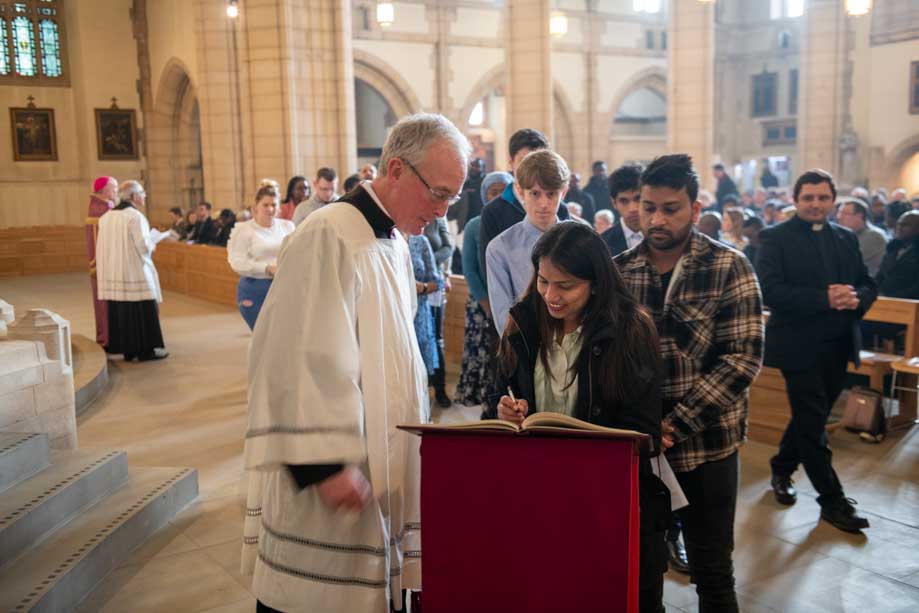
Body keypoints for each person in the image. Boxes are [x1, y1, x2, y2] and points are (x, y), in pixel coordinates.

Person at [241, 113, 469, 613]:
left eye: (453, 197)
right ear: (395, 169)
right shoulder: (329, 234)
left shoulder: (395, 244)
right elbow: (292, 354)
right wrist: (325, 465)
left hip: (380, 476)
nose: (443, 209)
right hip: (332, 487)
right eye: (438, 193)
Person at [488, 222, 667, 613]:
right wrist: (505, 410)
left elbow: (645, 431)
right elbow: (496, 396)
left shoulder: (631, 331)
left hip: (604, 499)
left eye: (565, 285)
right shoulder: (522, 323)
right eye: (543, 281)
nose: (550, 295)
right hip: (537, 492)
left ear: (597, 283)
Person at [616, 154, 764, 613]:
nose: (656, 219)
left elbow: (741, 360)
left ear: (695, 210)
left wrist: (673, 425)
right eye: (648, 206)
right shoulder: (619, 271)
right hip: (639, 449)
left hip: (708, 446)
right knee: (640, 576)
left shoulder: (728, 266)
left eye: (671, 208)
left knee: (712, 570)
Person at [757, 169, 876, 534]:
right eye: (808, 197)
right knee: (813, 423)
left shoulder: (846, 237)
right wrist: (823, 298)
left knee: (812, 417)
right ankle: (832, 500)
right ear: (795, 200)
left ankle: (781, 468)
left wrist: (856, 299)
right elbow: (770, 291)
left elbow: (867, 283)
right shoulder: (775, 238)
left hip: (840, 344)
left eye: (823, 198)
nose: (815, 204)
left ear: (833, 200)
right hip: (798, 346)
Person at [486, 149, 570, 335]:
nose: (543, 203)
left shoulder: (580, 238)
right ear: (519, 191)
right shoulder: (500, 248)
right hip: (527, 346)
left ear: (563, 193)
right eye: (534, 193)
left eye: (551, 194)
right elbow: (504, 317)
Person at [478, 129, 570, 287]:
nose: (543, 204)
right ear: (511, 162)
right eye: (524, 160)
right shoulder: (494, 211)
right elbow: (490, 271)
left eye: (539, 160)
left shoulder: (560, 208)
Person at [453, 173, 510, 408]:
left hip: (510, 301)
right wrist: (487, 304)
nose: (497, 196)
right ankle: (482, 398)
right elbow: (470, 269)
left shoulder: (515, 222)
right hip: (482, 303)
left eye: (502, 191)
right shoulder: (474, 225)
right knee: (483, 351)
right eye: (492, 192)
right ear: (484, 194)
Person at [95, 181, 168, 362]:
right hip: (134, 272)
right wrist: (155, 240)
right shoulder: (135, 216)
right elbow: (143, 246)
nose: (145, 196)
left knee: (123, 311)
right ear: (134, 196)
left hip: (115, 273)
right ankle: (145, 351)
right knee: (142, 310)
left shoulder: (106, 217)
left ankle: (128, 350)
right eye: (142, 193)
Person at [227, 180, 295, 330]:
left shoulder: (287, 226)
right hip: (255, 287)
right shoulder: (244, 230)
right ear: (255, 207)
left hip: (283, 286)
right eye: (265, 205)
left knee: (284, 335)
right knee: (263, 337)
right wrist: (267, 268)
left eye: (274, 205)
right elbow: (237, 262)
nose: (270, 209)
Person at [423, 216, 454, 408]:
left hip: (434, 285)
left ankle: (440, 388)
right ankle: (421, 385)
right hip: (413, 285)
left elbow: (447, 248)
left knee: (436, 338)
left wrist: (427, 258)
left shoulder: (438, 218)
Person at [406, 233, 444, 380]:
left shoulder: (420, 241)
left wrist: (421, 287)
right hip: (394, 315)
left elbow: (437, 282)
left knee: (420, 375)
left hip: (420, 318)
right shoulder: (387, 238)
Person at [86, 176, 117, 348]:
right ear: (104, 190)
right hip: (104, 265)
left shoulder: (99, 205)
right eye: (114, 188)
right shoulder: (102, 208)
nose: (116, 191)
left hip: (104, 263)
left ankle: (106, 336)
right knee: (105, 303)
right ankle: (108, 338)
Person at [836, 198, 888, 276]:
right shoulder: (848, 235)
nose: (839, 217)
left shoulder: (874, 236)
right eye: (839, 213)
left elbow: (846, 262)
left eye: (844, 213)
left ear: (859, 216)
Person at [601, 164, 644, 256]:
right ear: (614, 203)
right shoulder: (602, 243)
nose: (633, 209)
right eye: (624, 201)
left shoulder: (662, 236)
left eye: (638, 199)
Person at [875, 210, 919, 299]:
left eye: (905, 225)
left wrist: (892, 297)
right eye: (899, 224)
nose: (899, 228)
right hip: (884, 300)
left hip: (909, 303)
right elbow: (880, 275)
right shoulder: (893, 248)